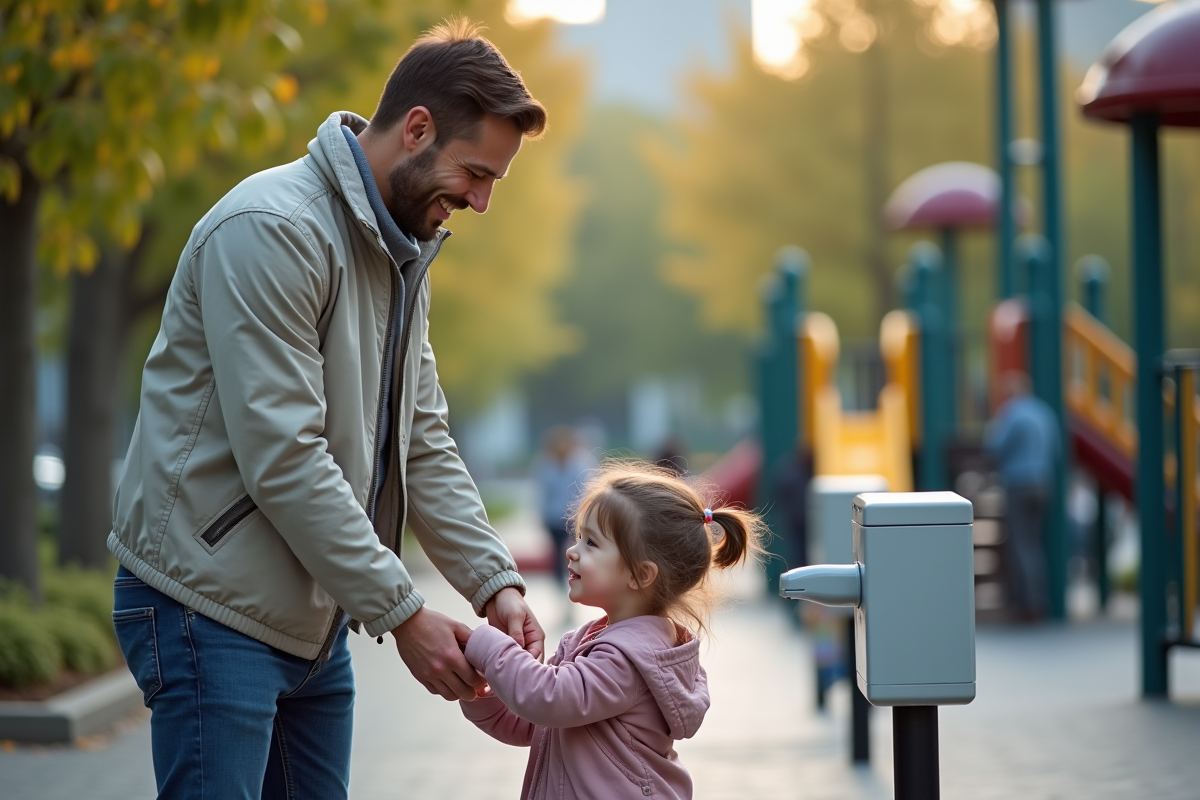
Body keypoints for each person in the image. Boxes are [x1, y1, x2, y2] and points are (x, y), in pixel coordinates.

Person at [108, 19, 547, 799]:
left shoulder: (400, 247)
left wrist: (493, 584)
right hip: (208, 607)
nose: (481, 202)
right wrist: (405, 613)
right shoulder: (273, 229)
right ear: (417, 129)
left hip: (312, 618)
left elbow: (421, 437)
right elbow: (284, 454)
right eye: (477, 172)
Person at [458, 462, 766, 800]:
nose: (572, 551)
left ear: (640, 575)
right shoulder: (592, 642)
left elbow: (548, 698)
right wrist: (481, 691)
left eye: (591, 542)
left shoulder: (627, 660)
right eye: (578, 537)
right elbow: (538, 723)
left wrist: (487, 647)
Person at [984, 371, 1061, 622]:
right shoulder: (1044, 413)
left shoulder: (1013, 412)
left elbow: (994, 446)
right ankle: (1040, 598)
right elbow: (1057, 448)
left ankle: (1027, 603)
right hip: (1042, 481)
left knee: (1019, 544)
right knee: (1034, 543)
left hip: (1018, 483)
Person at [534, 426, 596, 586]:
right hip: (553, 516)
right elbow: (542, 492)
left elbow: (587, 488)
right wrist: (541, 515)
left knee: (575, 549)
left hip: (574, 515)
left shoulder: (580, 462)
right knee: (557, 552)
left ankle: (578, 580)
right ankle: (561, 584)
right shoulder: (545, 464)